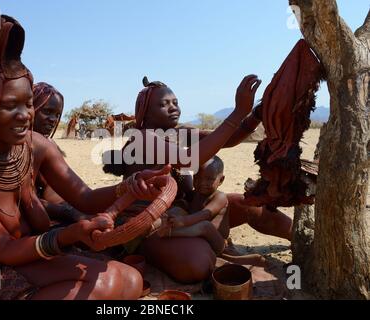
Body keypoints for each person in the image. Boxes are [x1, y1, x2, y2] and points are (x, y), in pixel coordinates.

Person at [0, 15, 168, 300]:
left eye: (27, 103)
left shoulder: (35, 146)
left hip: (32, 248)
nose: (25, 115)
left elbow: (84, 198)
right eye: (10, 106)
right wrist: (69, 235)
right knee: (104, 286)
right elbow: (3, 249)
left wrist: (129, 186)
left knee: (130, 280)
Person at [104, 76, 292, 283]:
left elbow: (228, 139)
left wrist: (256, 113)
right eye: (163, 104)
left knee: (251, 206)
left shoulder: (179, 134)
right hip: (150, 226)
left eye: (175, 102)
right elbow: (188, 159)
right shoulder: (141, 139)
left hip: (187, 214)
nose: (173, 107)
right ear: (145, 112)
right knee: (198, 264)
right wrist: (238, 111)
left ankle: (302, 238)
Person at [32, 82, 89, 225]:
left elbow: (77, 192)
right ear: (29, 108)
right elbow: (23, 202)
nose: (53, 120)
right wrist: (69, 213)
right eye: (47, 111)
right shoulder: (18, 148)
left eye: (57, 115)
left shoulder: (49, 144)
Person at [157, 156, 229, 255]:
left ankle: (168, 233)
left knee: (205, 225)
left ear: (221, 180)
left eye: (209, 179)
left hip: (216, 242)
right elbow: (182, 203)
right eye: (197, 177)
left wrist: (183, 221)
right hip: (197, 237)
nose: (202, 183)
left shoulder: (220, 197)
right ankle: (156, 226)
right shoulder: (195, 194)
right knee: (177, 209)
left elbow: (205, 214)